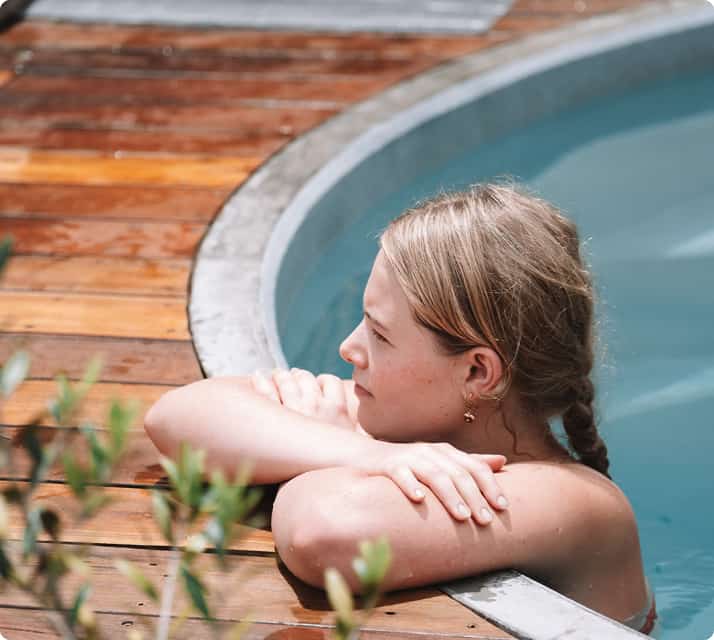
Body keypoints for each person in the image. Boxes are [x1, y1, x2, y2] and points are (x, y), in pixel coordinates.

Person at [144, 180, 657, 634]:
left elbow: (322, 531)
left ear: (477, 373)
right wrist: (365, 454)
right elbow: (176, 417)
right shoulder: (410, 426)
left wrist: (343, 451)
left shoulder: (580, 503)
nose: (349, 348)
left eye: (380, 334)